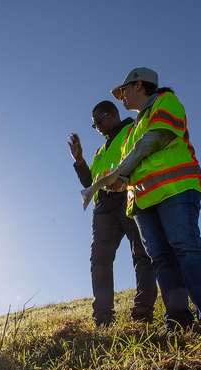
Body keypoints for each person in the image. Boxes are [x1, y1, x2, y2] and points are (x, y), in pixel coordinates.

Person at [108, 67, 201, 332]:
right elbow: (133, 165)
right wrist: (119, 181)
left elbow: (155, 139)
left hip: (175, 188)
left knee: (185, 246)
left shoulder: (165, 102)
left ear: (139, 85)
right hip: (142, 200)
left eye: (124, 90)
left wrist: (122, 171)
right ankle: (177, 319)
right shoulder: (130, 132)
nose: (121, 97)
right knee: (161, 258)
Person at [68, 101, 157, 327]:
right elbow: (90, 182)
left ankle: (143, 309)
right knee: (99, 259)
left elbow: (143, 156)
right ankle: (103, 317)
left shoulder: (131, 130)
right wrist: (79, 160)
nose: (97, 125)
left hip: (127, 196)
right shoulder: (100, 151)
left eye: (100, 120)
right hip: (103, 208)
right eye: (94, 123)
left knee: (141, 253)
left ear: (114, 114)